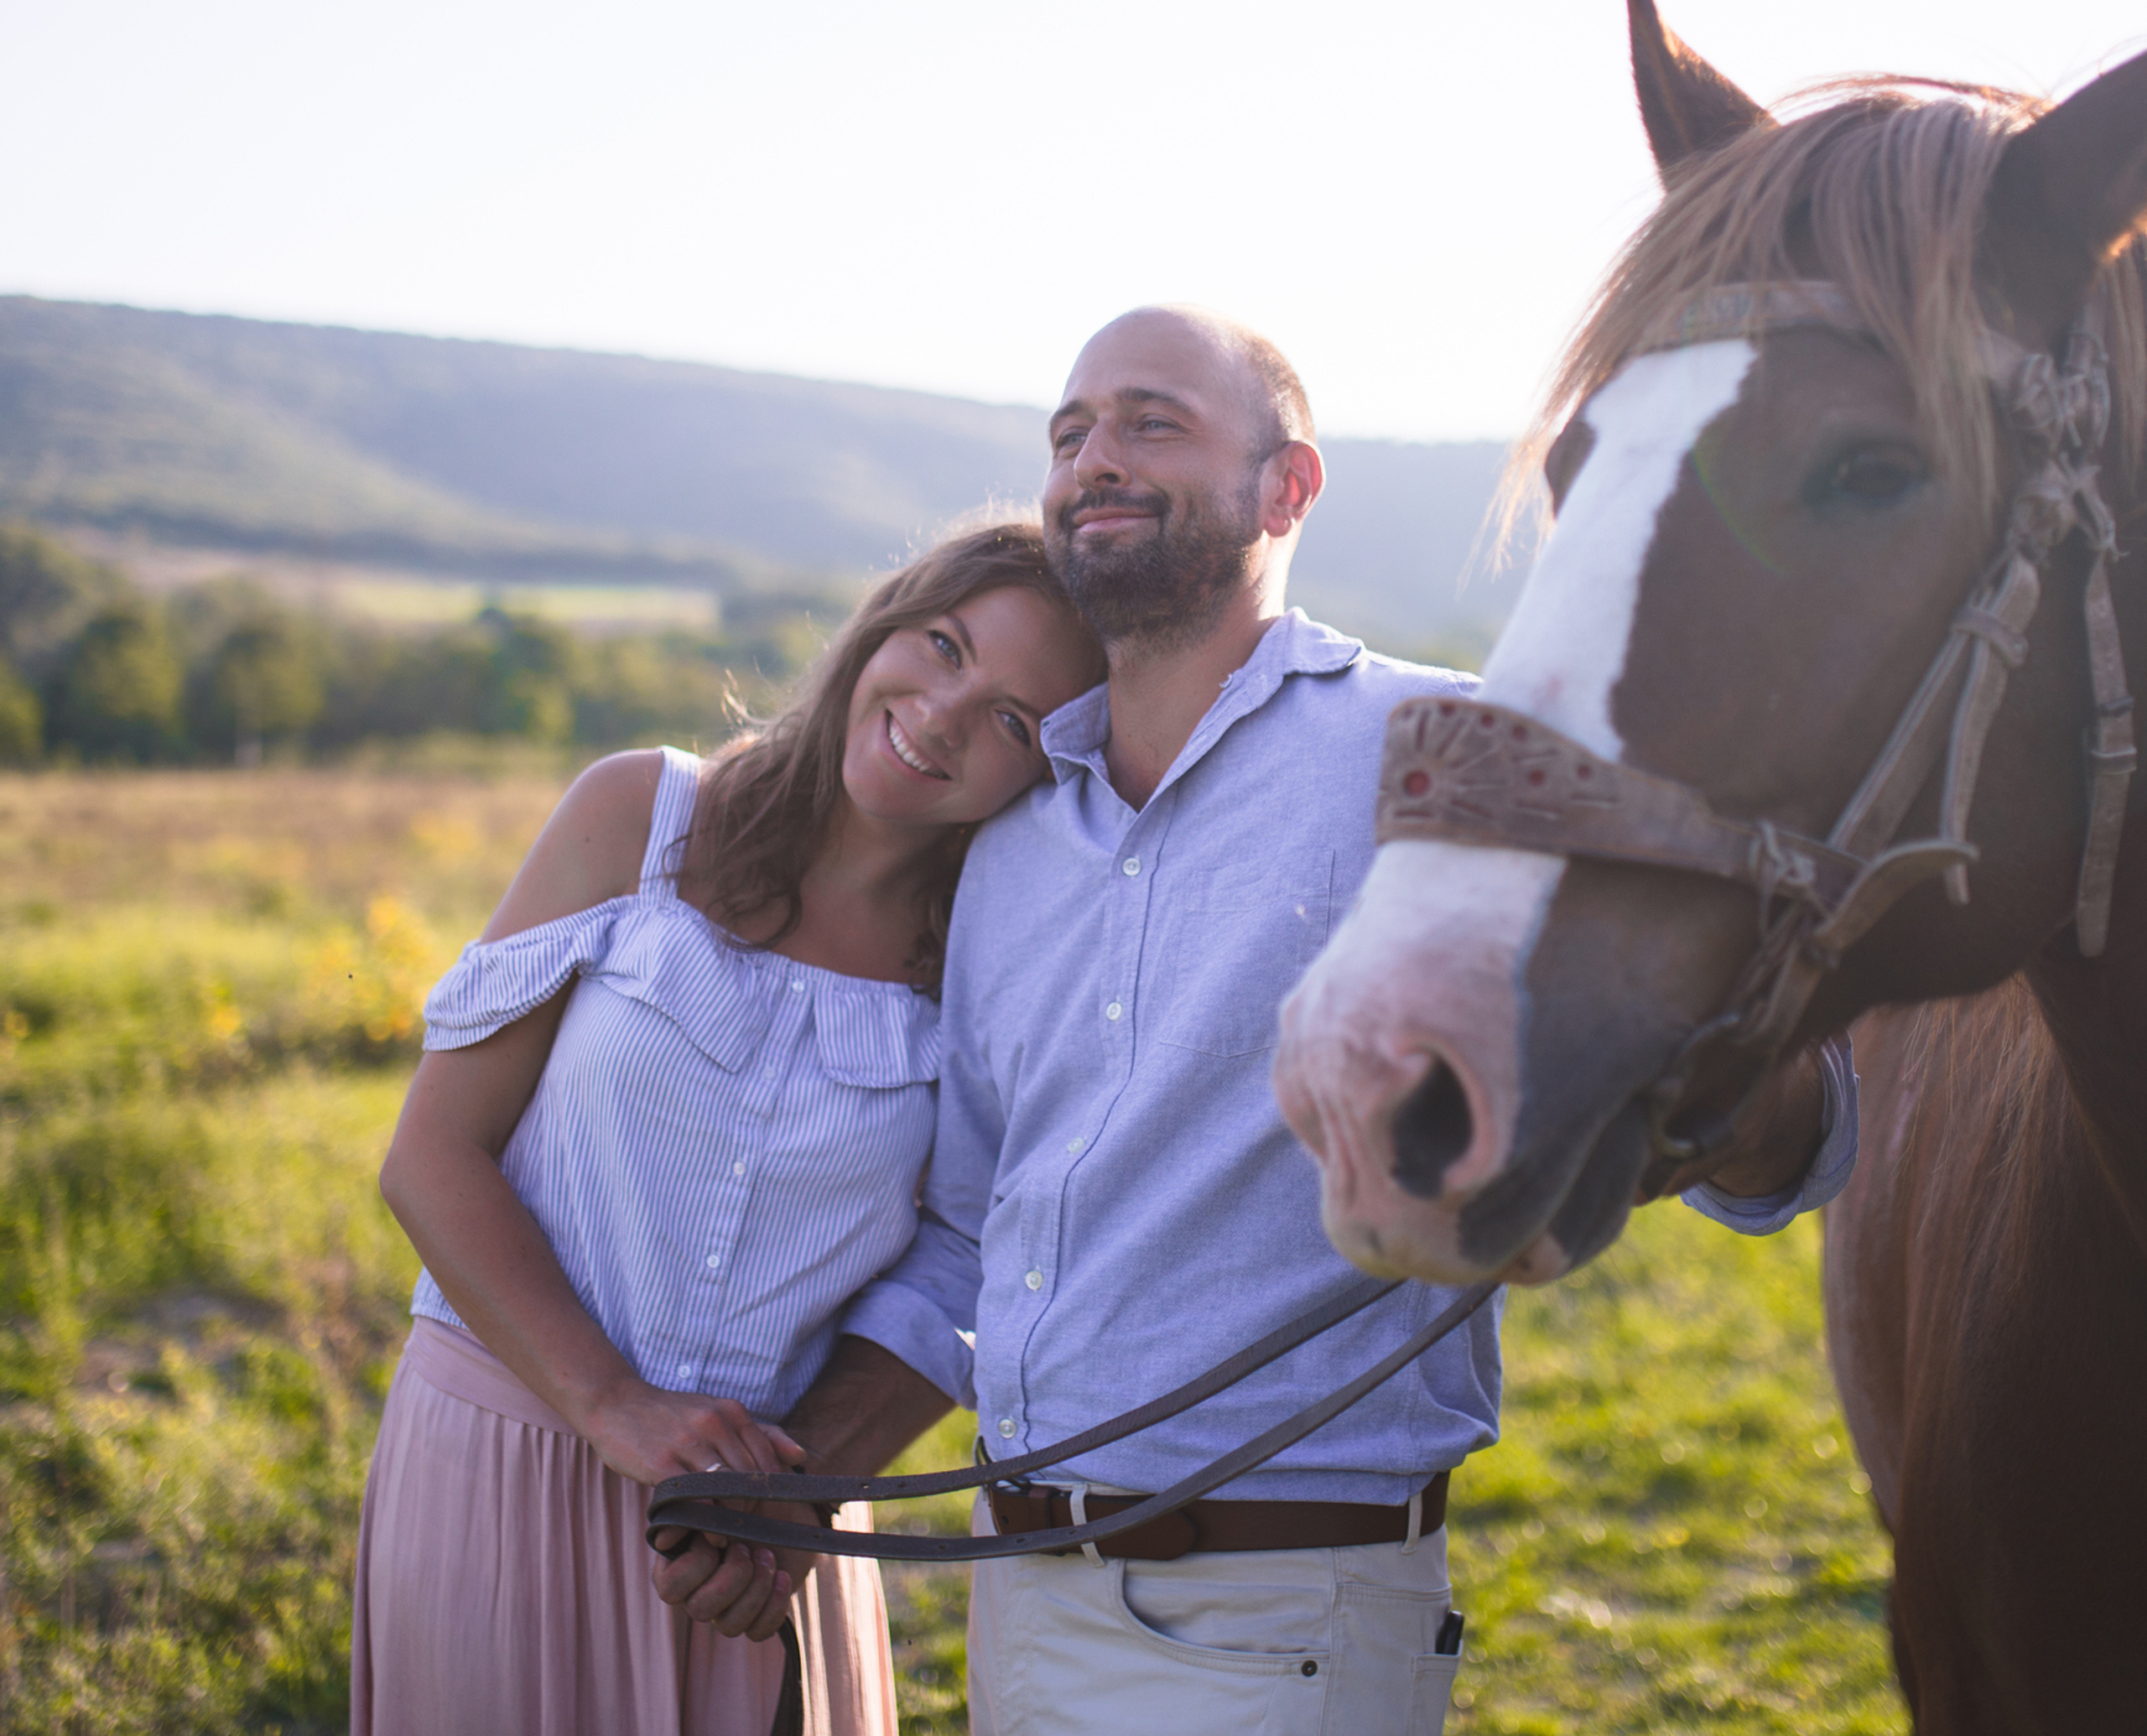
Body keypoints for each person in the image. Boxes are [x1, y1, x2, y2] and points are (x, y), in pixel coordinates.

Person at [654, 309, 1855, 1733]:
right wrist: (793, 1487)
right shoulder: (1015, 841)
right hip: (1019, 1599)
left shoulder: (1450, 760)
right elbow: (971, 1241)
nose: (1094, 459)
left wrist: (1696, 1058)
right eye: (1070, 432)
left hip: (1287, 1618)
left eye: (1152, 422)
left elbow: (1799, 1147)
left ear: (1289, 489)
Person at [351, 522, 1104, 1736]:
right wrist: (613, 1403)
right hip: (501, 1461)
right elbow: (433, 1158)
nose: (946, 713)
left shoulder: (997, 959)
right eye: (944, 646)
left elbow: (962, 1259)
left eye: (1016, 717)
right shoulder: (639, 814)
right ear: (884, 624)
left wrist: (799, 1493)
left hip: (755, 1538)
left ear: (1051, 764)